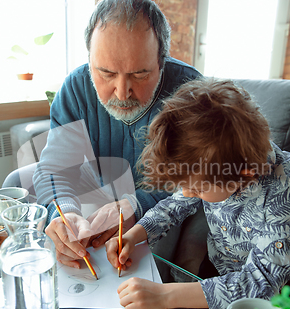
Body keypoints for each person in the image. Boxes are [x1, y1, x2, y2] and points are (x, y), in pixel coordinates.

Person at [106, 77, 290, 309]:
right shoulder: (210, 165)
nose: (188, 193)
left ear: (244, 175)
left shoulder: (287, 192)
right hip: (222, 260)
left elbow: (261, 283)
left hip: (280, 284)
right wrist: (135, 235)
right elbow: (175, 205)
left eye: (198, 190)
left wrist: (165, 296)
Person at [30, 0, 202, 269]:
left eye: (140, 74)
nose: (122, 93)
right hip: (102, 195)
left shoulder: (192, 92)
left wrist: (139, 204)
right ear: (89, 60)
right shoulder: (75, 87)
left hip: (165, 209)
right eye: (106, 73)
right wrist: (63, 211)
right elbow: (56, 166)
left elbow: (205, 179)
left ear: (162, 61)